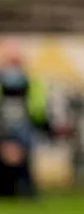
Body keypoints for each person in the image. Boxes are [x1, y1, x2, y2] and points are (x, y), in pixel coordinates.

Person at [0, 40, 50, 198]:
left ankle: (26, 189)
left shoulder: (32, 81)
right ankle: (7, 189)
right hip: (3, 125)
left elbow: (38, 106)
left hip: (23, 125)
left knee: (24, 158)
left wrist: (41, 122)